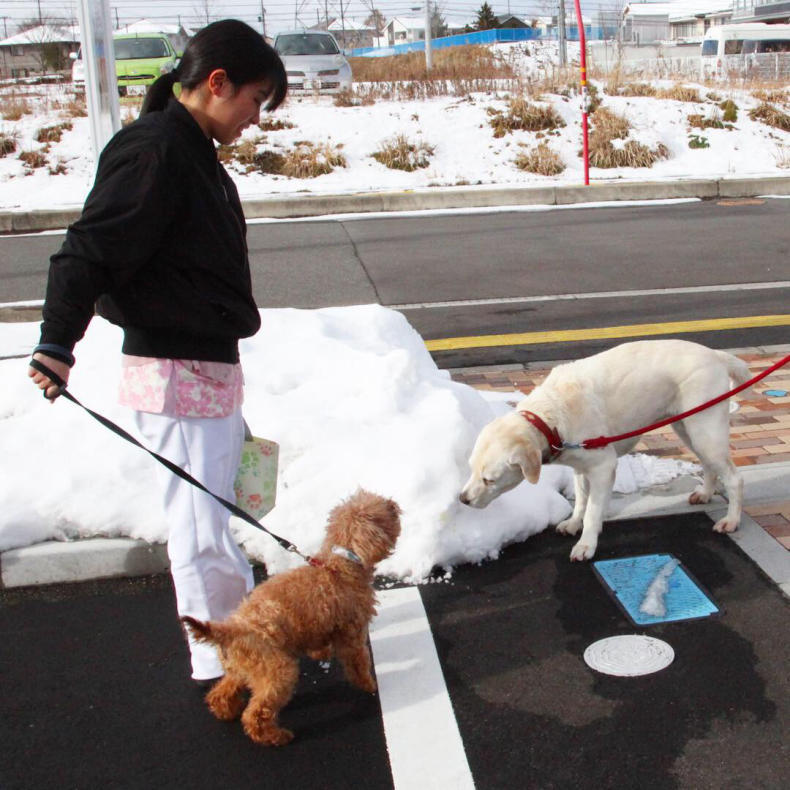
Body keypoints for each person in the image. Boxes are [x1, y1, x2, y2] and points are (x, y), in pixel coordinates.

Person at [28, 19, 287, 686]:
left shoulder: (186, 147)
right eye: (255, 99)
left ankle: (234, 645)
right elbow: (88, 248)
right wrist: (57, 343)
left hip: (200, 368)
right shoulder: (156, 151)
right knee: (201, 524)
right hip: (177, 373)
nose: (255, 117)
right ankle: (226, 656)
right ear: (216, 82)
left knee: (220, 507)